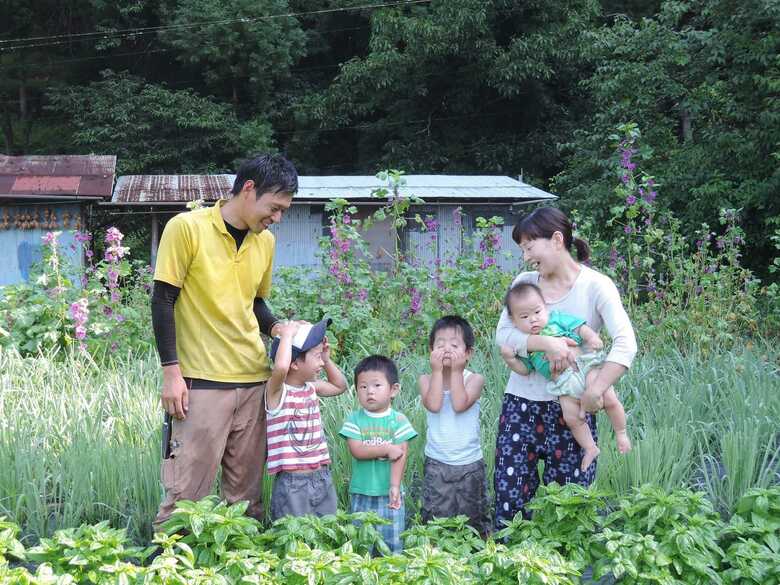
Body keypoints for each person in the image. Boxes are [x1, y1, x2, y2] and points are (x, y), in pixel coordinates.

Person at [150, 154, 298, 529]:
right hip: (201, 384)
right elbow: (162, 299)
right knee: (186, 499)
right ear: (248, 189)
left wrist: (278, 328)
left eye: (284, 210)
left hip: (253, 383)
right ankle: (168, 567)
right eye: (274, 207)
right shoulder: (187, 228)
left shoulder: (265, 243)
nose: (277, 218)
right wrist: (171, 373)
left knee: (246, 502)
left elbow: (254, 302)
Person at [494, 207, 637, 528]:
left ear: (557, 240)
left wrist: (596, 390)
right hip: (521, 407)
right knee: (511, 501)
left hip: (574, 408)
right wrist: (548, 344)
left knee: (571, 509)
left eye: (530, 247)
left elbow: (626, 343)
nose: (526, 256)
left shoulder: (597, 286)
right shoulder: (525, 283)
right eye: (522, 250)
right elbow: (503, 334)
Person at [500, 283, 631, 472]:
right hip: (563, 384)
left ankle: (621, 432)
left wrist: (592, 337)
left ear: (545, 307)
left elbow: (579, 327)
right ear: (513, 321)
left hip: (584, 367)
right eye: (524, 317)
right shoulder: (526, 344)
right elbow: (525, 370)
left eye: (537, 312)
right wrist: (511, 359)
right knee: (571, 417)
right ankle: (590, 447)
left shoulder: (556, 319)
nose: (533, 320)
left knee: (609, 398)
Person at [265, 318, 347, 520]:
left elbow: (340, 386)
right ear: (294, 363)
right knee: (294, 539)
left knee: (325, 534)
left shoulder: (311, 387)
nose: (321, 362)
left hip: (321, 477)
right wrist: (286, 335)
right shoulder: (277, 392)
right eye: (317, 356)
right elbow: (281, 369)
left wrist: (327, 359)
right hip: (293, 483)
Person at [418, 315, 489, 535]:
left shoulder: (474, 379)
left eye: (454, 345)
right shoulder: (426, 380)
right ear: (431, 350)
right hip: (437, 464)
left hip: (470, 464)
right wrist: (438, 371)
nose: (447, 349)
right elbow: (434, 404)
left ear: (468, 353)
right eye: (440, 344)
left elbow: (459, 404)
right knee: (436, 520)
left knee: (473, 520)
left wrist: (457, 371)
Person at [339, 355, 417, 554]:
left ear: (393, 390)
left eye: (376, 385)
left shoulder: (398, 420)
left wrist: (394, 486)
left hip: (389, 494)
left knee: (391, 544)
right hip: (362, 492)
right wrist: (385, 449)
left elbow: (401, 454)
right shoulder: (354, 419)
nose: (369, 391)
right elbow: (357, 450)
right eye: (363, 387)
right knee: (361, 544)